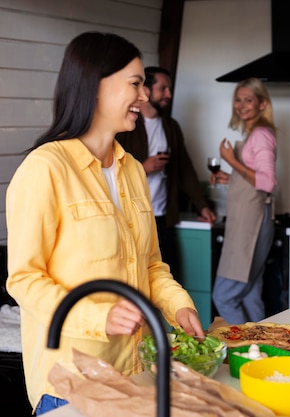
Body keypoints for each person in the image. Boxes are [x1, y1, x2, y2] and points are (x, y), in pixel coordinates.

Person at [5, 32, 205, 415]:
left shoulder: (132, 171)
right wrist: (100, 317)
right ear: (95, 87)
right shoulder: (45, 169)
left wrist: (178, 306)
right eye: (135, 84)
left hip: (135, 371)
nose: (144, 96)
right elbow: (25, 280)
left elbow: (150, 266)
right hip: (72, 384)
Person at [116, 66, 216, 276]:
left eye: (169, 89)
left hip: (162, 217)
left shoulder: (170, 127)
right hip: (131, 218)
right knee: (136, 279)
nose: (169, 95)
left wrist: (202, 206)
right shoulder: (124, 125)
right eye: (163, 89)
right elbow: (110, 169)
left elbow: (184, 169)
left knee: (168, 279)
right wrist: (144, 167)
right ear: (146, 90)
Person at [210, 78, 278, 324]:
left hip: (252, 224)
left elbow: (267, 182)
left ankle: (245, 349)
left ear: (262, 104)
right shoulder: (254, 133)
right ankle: (262, 352)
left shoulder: (261, 135)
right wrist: (230, 178)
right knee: (249, 295)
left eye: (248, 100)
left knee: (224, 296)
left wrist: (231, 160)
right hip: (248, 221)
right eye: (238, 99)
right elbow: (253, 181)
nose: (241, 105)